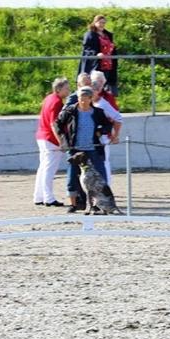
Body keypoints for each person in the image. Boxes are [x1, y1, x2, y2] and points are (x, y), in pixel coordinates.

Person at [54, 86, 113, 213]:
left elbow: (108, 125)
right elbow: (57, 123)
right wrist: (63, 140)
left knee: (99, 176)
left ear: (91, 99)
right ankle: (74, 204)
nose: (82, 101)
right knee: (72, 177)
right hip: (75, 149)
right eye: (80, 98)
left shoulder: (98, 112)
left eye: (85, 99)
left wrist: (100, 131)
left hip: (93, 149)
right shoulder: (70, 111)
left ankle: (99, 204)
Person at [33, 77, 71, 207]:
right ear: (59, 89)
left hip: (42, 136)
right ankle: (48, 198)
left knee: (43, 167)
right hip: (50, 139)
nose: (69, 90)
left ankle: (38, 196)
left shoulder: (49, 98)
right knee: (49, 169)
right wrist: (61, 141)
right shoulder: (57, 102)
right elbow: (54, 124)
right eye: (66, 88)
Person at [90, 70, 123, 186]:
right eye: (95, 84)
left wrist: (115, 135)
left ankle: (106, 185)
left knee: (104, 161)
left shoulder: (106, 100)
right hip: (90, 136)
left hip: (103, 135)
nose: (98, 86)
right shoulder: (85, 100)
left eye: (100, 84)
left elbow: (117, 117)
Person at [80, 14, 118, 94]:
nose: (102, 25)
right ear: (95, 23)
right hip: (96, 64)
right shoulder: (90, 34)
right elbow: (87, 49)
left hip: (108, 64)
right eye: (100, 22)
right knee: (95, 87)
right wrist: (96, 54)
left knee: (105, 87)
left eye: (104, 23)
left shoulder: (107, 35)